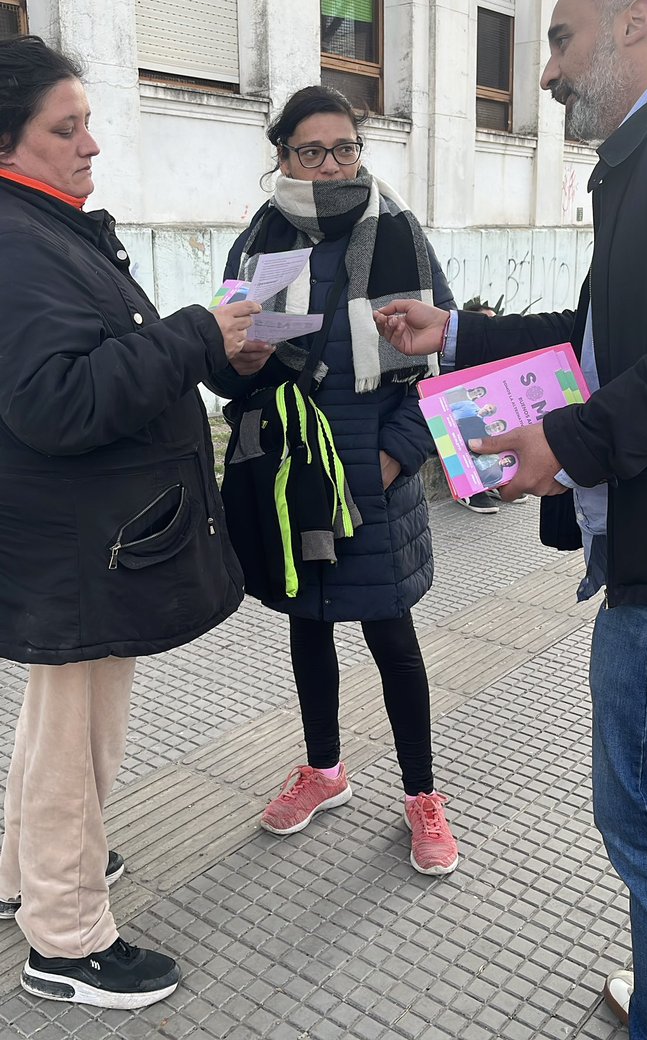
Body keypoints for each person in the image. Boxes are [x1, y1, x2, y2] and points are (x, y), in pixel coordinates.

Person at [375, 0, 647, 1040]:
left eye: (558, 39)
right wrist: (455, 333)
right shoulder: (636, 161)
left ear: (636, 21)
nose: (544, 73)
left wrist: (571, 441)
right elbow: (597, 338)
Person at [0, 36, 259, 1009]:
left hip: (79, 542)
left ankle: (29, 871)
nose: (91, 144)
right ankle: (66, 942)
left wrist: (205, 344)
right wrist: (195, 335)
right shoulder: (18, 243)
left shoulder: (41, 225)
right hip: (82, 550)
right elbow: (57, 401)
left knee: (56, 729)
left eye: (89, 123)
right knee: (76, 743)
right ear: (8, 142)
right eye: (65, 129)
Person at [215, 84, 460, 876]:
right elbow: (227, 365)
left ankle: (421, 795)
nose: (330, 165)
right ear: (282, 158)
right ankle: (324, 770)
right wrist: (238, 361)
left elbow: (441, 355)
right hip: (292, 469)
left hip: (371, 465)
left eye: (344, 148)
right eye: (311, 151)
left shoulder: (397, 233)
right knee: (308, 619)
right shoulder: (260, 241)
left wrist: (397, 454)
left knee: (391, 634)